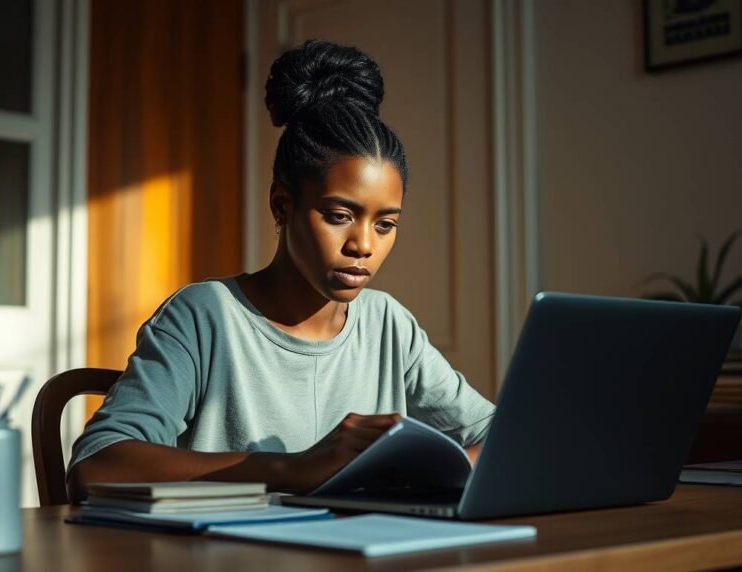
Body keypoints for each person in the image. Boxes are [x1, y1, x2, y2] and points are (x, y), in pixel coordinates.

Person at [66, 40, 495, 502]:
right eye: (338, 215)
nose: (364, 245)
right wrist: (297, 468)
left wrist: (434, 470)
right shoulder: (205, 317)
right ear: (282, 204)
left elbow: (502, 436)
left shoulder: (389, 326)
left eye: (385, 224)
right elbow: (95, 467)